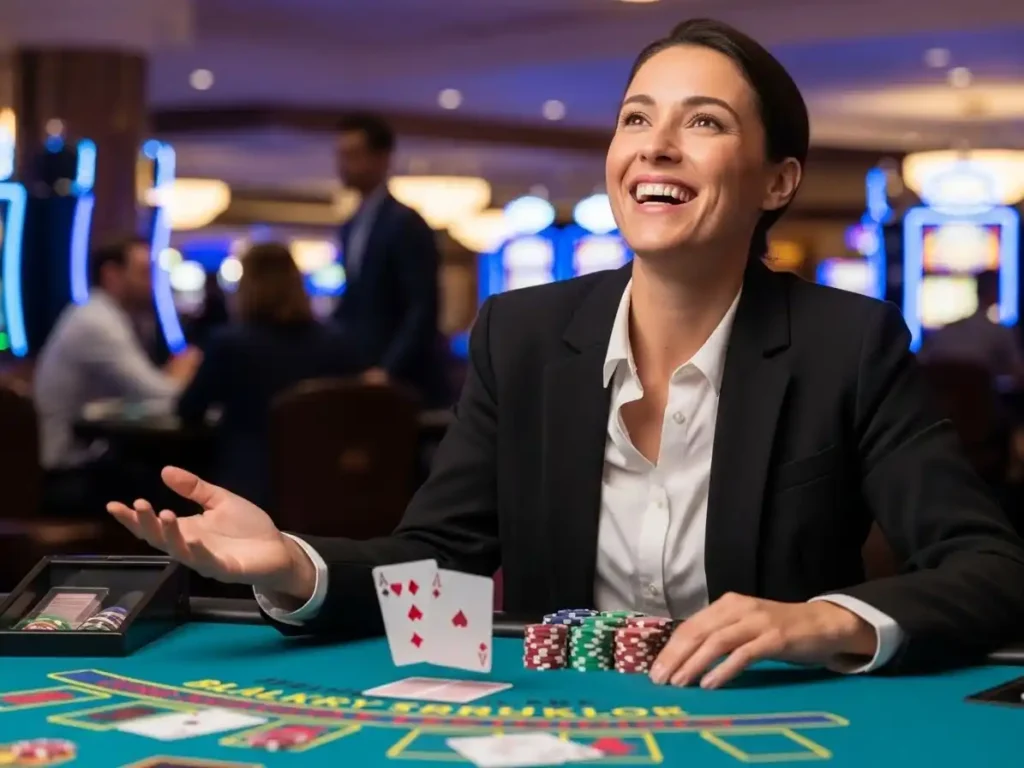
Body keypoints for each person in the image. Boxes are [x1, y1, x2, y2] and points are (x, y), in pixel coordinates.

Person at [108, 19, 1024, 688]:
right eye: (636, 118)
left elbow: (990, 569)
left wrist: (828, 620)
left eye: (704, 122)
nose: (656, 145)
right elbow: (444, 562)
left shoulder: (844, 343)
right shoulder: (524, 333)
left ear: (778, 180)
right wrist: (292, 567)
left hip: (766, 724)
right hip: (555, 724)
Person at [176, 242, 356, 509]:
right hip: (328, 486)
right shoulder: (337, 342)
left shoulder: (229, 344)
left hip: (247, 490)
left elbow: (188, 410)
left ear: (245, 286)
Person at [34, 237, 200, 472]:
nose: (153, 283)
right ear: (112, 275)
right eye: (144, 273)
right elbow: (162, 396)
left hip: (91, 452)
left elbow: (141, 391)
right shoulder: (96, 323)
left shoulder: (106, 315)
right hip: (68, 465)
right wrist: (182, 374)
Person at [331, 113, 448, 405]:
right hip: (360, 370)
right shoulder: (351, 225)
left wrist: (388, 369)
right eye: (340, 155)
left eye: (353, 155)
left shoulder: (405, 223)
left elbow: (422, 307)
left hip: (404, 379)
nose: (343, 165)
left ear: (382, 158)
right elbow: (354, 303)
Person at [917, 270, 1024, 387]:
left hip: (936, 403)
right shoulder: (1000, 333)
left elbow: (919, 365)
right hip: (981, 403)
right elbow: (1018, 373)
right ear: (995, 292)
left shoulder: (945, 330)